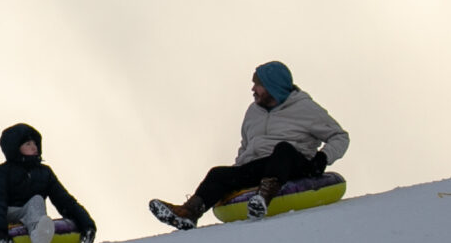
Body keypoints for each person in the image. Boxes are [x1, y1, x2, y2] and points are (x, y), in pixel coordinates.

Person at [149, 61, 349, 228]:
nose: (253, 89)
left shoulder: (305, 108)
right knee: (218, 174)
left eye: (258, 84)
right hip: (260, 166)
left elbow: (340, 136)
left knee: (283, 149)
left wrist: (323, 158)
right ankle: (188, 212)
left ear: (273, 86)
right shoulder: (253, 112)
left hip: (293, 164)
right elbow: (246, 146)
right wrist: (236, 174)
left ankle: (264, 198)